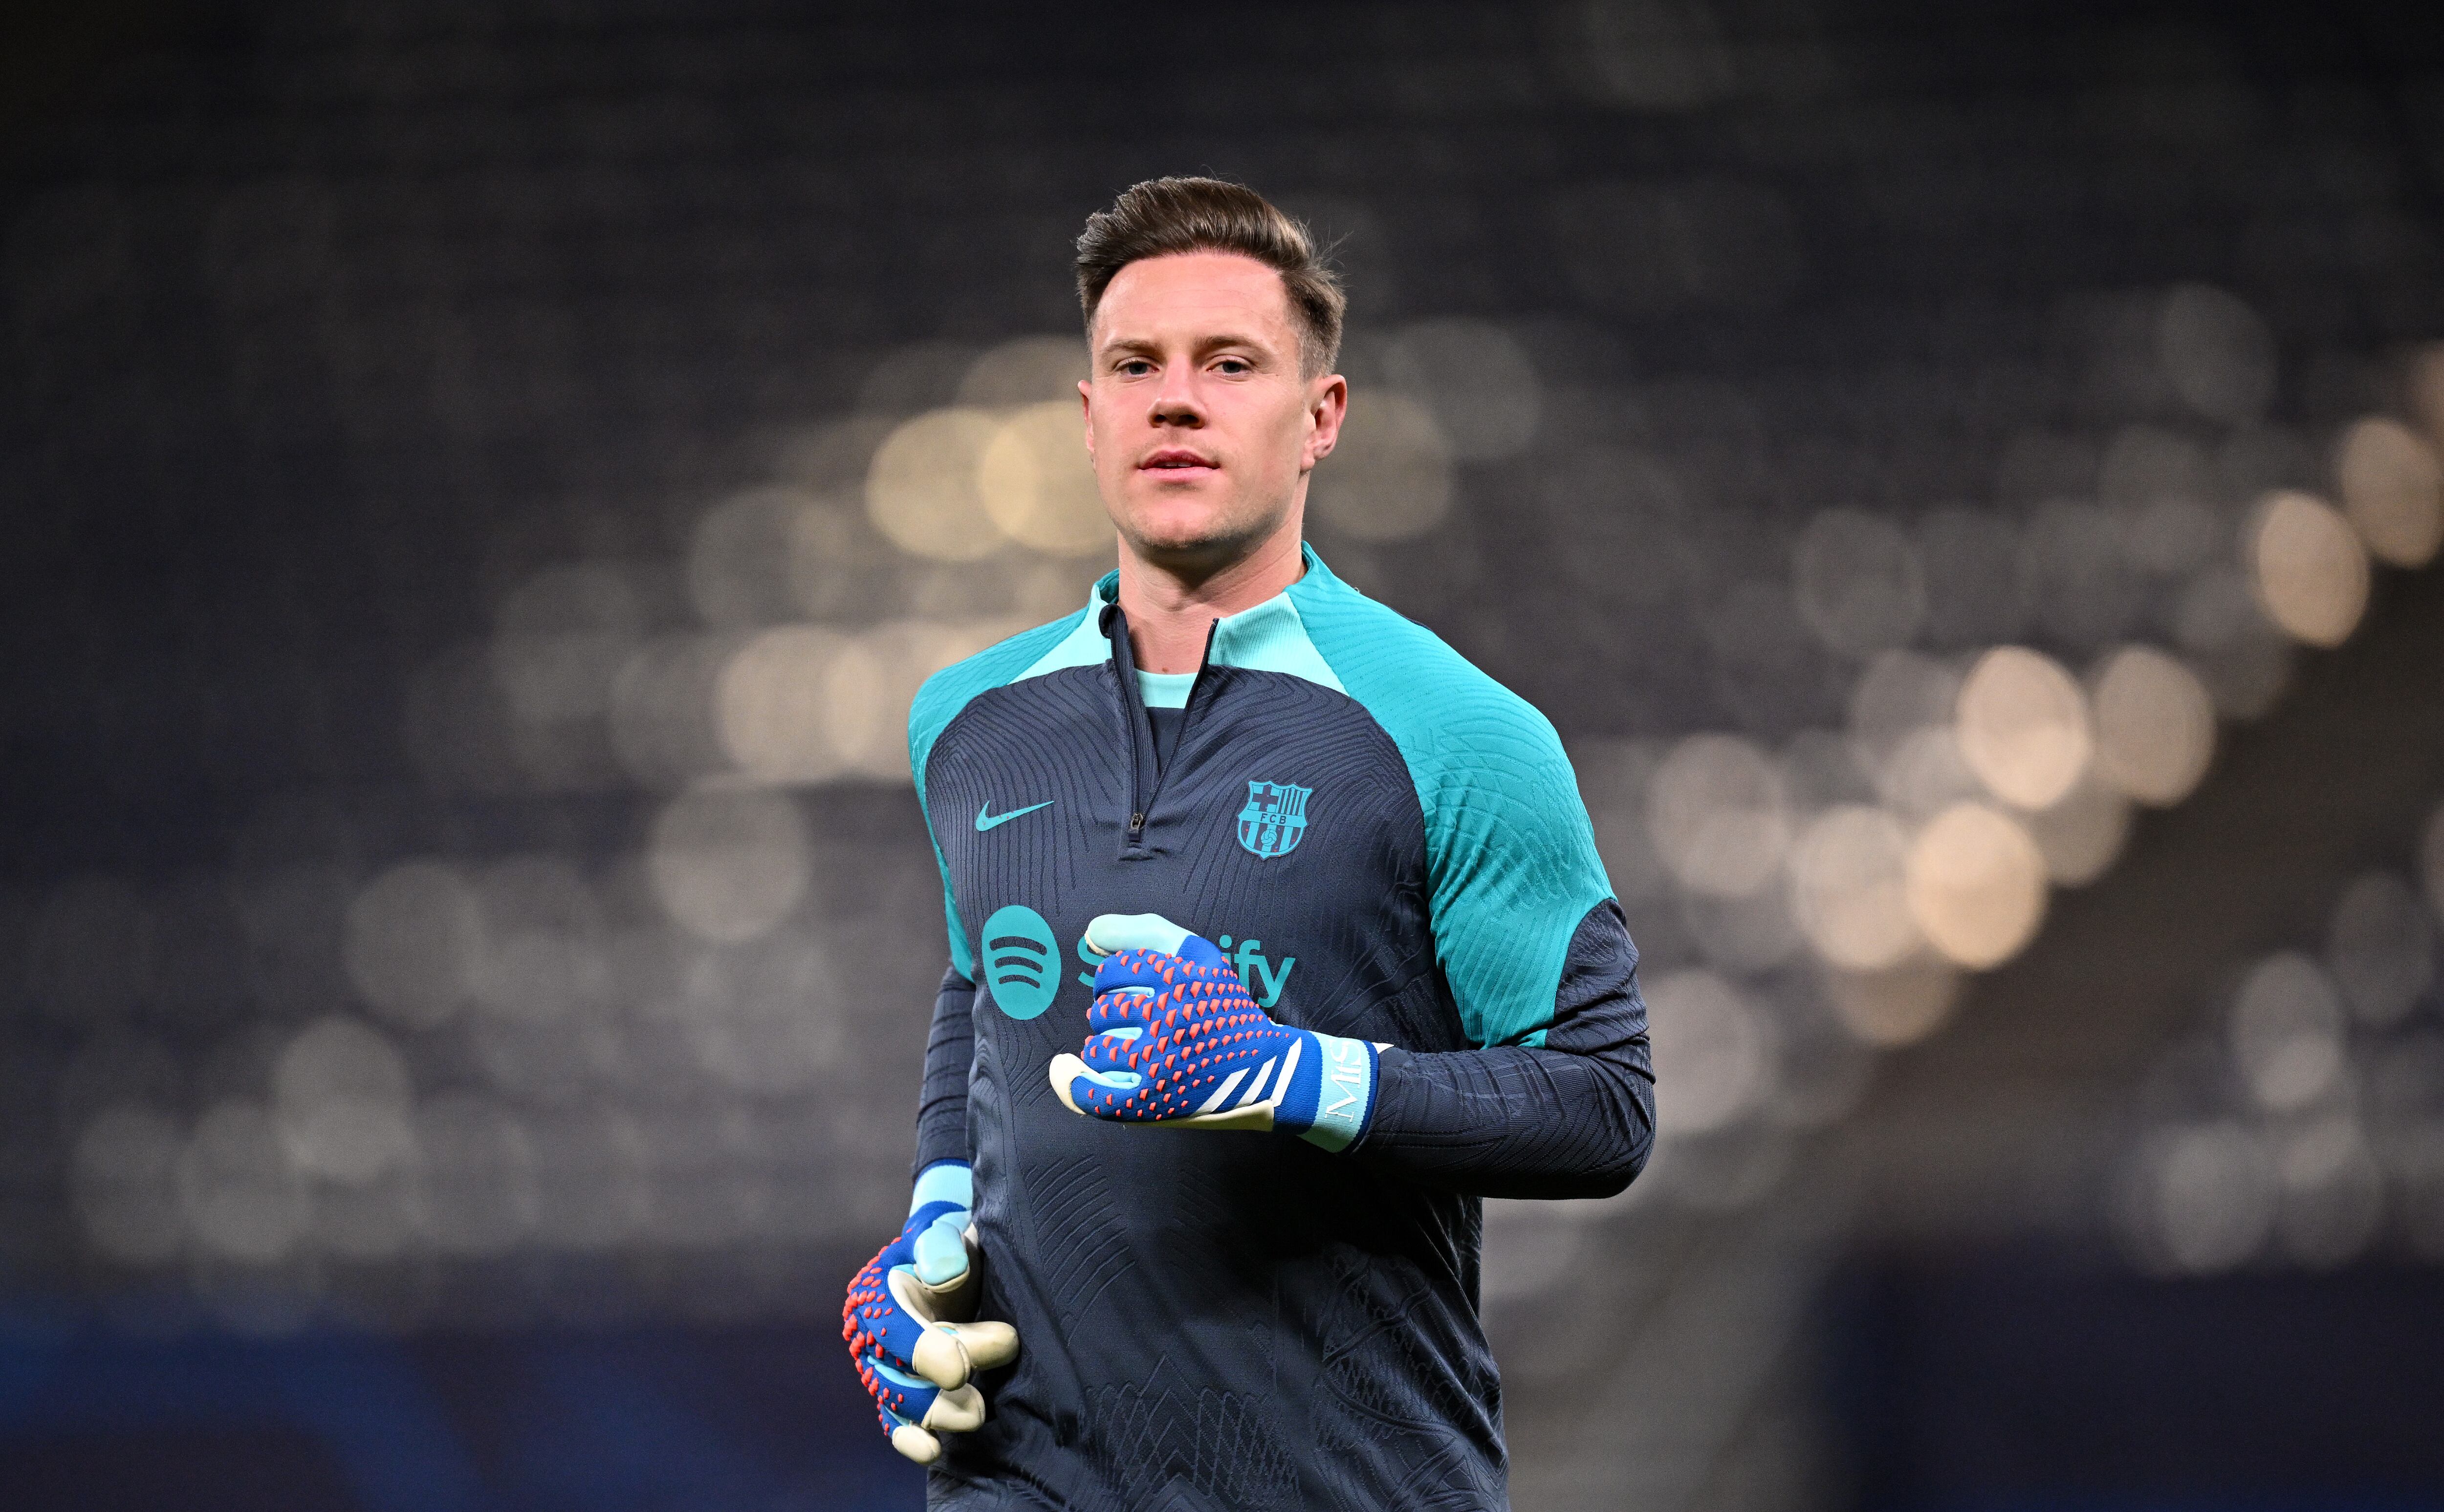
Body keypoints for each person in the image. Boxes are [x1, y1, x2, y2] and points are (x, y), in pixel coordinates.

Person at [843, 176, 1656, 1511]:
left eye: (1230, 364)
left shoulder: (1457, 734)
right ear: (1089, 415)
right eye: (1135, 365)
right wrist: (940, 1225)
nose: (1177, 400)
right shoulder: (968, 722)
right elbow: (986, 993)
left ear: (1320, 418)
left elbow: (1604, 1107)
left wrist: (1291, 1075)